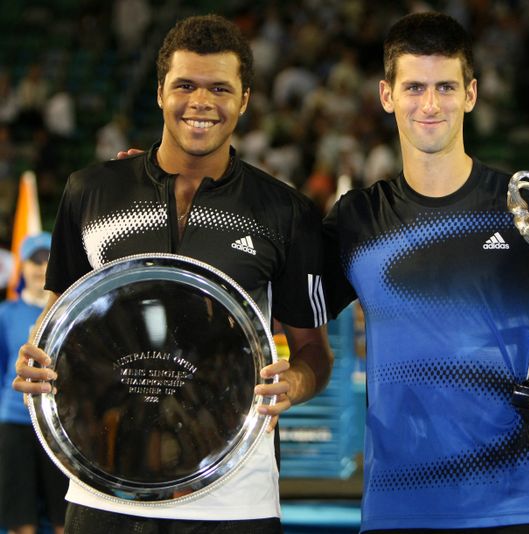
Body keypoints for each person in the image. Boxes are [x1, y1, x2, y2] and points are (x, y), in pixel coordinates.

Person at [323, 12, 529, 533]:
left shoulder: (524, 211)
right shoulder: (356, 219)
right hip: (398, 512)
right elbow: (291, 307)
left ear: (471, 94)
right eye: (414, 87)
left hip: (519, 506)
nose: (430, 105)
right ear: (387, 94)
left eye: (445, 87)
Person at [12, 15, 332, 534]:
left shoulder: (285, 212)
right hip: (104, 484)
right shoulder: (90, 191)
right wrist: (37, 356)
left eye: (219, 89)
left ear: (245, 99)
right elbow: (58, 317)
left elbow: (315, 352)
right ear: (160, 92)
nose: (200, 103)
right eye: (184, 85)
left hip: (235, 495)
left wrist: (294, 381)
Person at [0, 232, 68, 534]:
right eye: (34, 260)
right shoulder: (6, 314)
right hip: (15, 421)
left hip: (59, 423)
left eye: (47, 260)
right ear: (21, 266)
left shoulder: (66, 314)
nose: (41, 267)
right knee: (19, 513)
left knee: (64, 514)